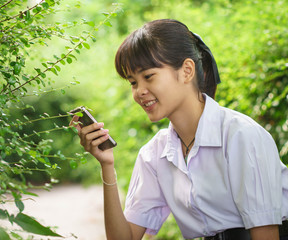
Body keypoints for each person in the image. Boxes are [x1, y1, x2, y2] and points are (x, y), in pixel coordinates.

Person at [70, 19, 288, 240]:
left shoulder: (241, 136)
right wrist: (107, 164)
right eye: (133, 83)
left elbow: (266, 235)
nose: (139, 92)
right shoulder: (155, 154)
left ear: (186, 71)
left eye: (148, 76)